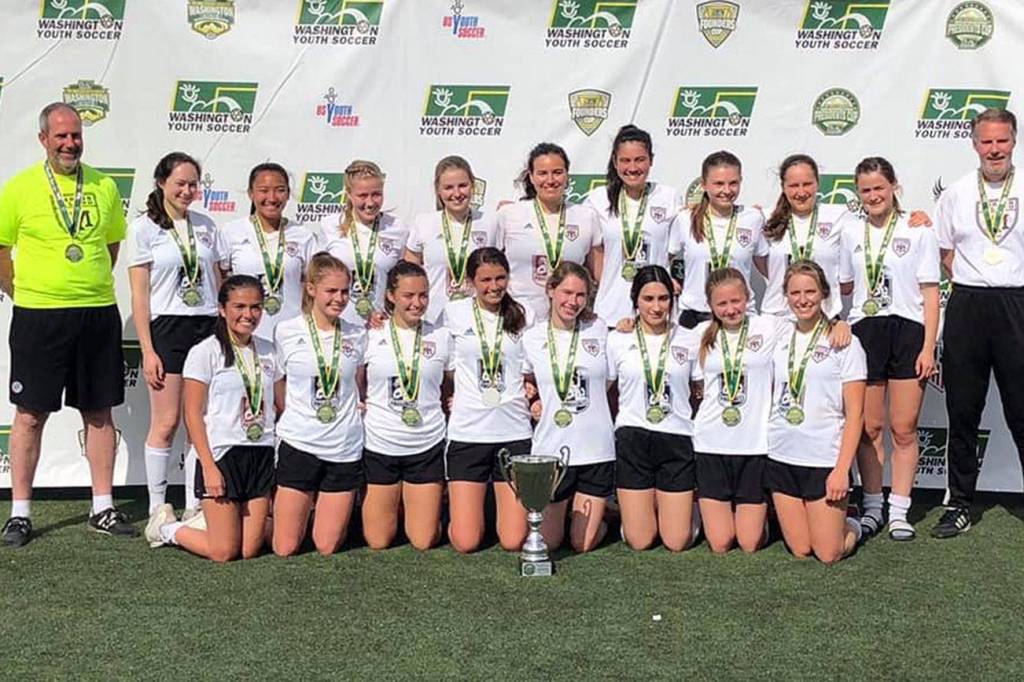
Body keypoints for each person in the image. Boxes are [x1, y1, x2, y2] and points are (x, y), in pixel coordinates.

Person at [0, 102, 133, 547]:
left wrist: (84, 284)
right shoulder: (19, 188)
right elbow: (1, 250)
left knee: (99, 411)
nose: (70, 143)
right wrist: (25, 293)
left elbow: (111, 246)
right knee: (29, 415)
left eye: (75, 135)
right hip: (39, 316)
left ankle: (103, 507)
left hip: (96, 312)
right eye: (61, 136)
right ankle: (20, 514)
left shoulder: (104, 186)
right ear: (44, 139)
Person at [838, 157, 940, 540]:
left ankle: (899, 511)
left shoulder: (918, 229)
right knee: (869, 427)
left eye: (879, 188)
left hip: (909, 331)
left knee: (903, 427)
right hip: (866, 331)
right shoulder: (850, 231)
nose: (873, 196)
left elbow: (931, 293)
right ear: (858, 193)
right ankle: (872, 507)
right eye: (865, 190)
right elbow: (844, 286)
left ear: (894, 186)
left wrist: (928, 347)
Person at [934, 107, 1024, 538]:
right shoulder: (955, 192)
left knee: (1022, 410)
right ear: (974, 144)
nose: (994, 149)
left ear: (1014, 141)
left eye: (1002, 140)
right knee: (963, 411)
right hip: (968, 304)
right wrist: (977, 280)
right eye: (986, 141)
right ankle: (960, 503)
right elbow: (944, 252)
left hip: (1017, 304)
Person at [147, 275, 282, 562]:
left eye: (255, 307)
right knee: (224, 552)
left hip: (260, 455)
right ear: (222, 309)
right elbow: (193, 414)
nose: (248, 315)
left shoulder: (270, 350)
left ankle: (223, 523)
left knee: (248, 550)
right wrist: (208, 466)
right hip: (223, 455)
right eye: (239, 307)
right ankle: (166, 528)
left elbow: (282, 405)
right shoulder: (205, 351)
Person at [128, 152, 228, 529]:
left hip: (206, 328)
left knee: (199, 420)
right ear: (161, 183)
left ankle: (194, 504)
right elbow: (140, 296)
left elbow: (219, 281)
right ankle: (157, 507)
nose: (187, 191)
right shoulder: (143, 228)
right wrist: (148, 349)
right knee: (167, 420)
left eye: (192, 184)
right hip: (167, 329)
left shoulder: (206, 225)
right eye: (180, 184)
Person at [767, 260, 866, 564]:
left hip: (824, 459)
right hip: (781, 454)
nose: (802, 299)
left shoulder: (846, 342)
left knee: (828, 553)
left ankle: (854, 525)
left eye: (810, 292)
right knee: (800, 548)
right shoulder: (777, 334)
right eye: (795, 293)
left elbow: (856, 414)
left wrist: (841, 470)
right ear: (786, 296)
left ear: (824, 293)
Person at [272, 253, 367, 556]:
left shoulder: (358, 333)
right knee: (285, 547)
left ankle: (321, 514)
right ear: (311, 288)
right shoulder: (286, 331)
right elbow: (277, 383)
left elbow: (361, 383)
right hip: (300, 444)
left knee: (326, 546)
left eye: (345, 291)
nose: (339, 299)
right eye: (331, 291)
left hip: (344, 447)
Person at [443, 248, 533, 553]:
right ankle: (455, 518)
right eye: (485, 280)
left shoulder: (525, 313)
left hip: (513, 431)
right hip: (469, 433)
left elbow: (534, 365)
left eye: (500, 278)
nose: (494, 286)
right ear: (471, 282)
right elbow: (443, 363)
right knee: (466, 542)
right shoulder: (453, 312)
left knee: (513, 540)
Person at [522, 262, 614, 553]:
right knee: (548, 542)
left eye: (581, 295)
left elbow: (609, 379)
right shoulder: (532, 337)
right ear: (551, 290)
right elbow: (525, 380)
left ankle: (604, 518)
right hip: (552, 449)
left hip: (595, 449)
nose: (573, 301)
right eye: (567, 292)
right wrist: (534, 399)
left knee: (581, 543)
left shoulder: (599, 329)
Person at [607, 265, 699, 551]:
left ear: (673, 299)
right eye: (648, 299)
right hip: (633, 437)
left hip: (676, 438)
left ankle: (687, 511)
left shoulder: (690, 338)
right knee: (640, 540)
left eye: (663, 298)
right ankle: (638, 512)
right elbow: (602, 388)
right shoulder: (618, 339)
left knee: (677, 541)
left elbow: (700, 391)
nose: (656, 307)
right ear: (635, 300)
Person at [361, 261, 451, 550]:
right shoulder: (370, 335)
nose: (417, 303)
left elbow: (449, 385)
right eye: (408, 296)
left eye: (423, 295)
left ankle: (425, 513)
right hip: (381, 444)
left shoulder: (441, 337)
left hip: (426, 443)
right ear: (390, 296)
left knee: (423, 540)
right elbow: (356, 382)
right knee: (378, 541)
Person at [691, 268, 782, 553]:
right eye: (722, 304)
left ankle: (764, 519)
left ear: (748, 298)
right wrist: (627, 323)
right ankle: (698, 515)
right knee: (720, 543)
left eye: (736, 301)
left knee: (749, 543)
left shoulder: (768, 327)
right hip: (711, 444)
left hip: (753, 446)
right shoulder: (698, 334)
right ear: (710, 305)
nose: (730, 310)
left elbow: (810, 324)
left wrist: (838, 325)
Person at [586, 126, 682, 325]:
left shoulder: (669, 197)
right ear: (615, 162)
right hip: (611, 311)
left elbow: (672, 252)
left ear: (651, 160)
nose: (633, 167)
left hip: (657, 311)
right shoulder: (597, 199)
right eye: (625, 160)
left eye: (639, 159)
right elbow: (593, 251)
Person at [496, 143, 603, 320]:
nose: (550, 180)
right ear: (531, 177)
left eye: (557, 172)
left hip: (567, 319)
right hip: (517, 319)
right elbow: (487, 267)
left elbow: (600, 276)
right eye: (542, 173)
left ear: (567, 175)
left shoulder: (586, 217)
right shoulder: (509, 215)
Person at [669, 151, 768, 328]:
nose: (727, 190)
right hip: (696, 317)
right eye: (719, 184)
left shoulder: (753, 218)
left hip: (740, 315)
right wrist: (668, 280)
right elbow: (664, 257)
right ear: (704, 184)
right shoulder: (685, 219)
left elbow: (766, 265)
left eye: (733, 183)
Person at [221, 162, 319, 341]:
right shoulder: (232, 232)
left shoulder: (303, 235)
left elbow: (314, 285)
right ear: (251, 193)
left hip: (293, 335)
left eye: (280, 190)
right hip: (246, 334)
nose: (272, 198)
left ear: (288, 194)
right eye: (263, 190)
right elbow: (219, 279)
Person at [405, 156, 498, 325]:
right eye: (448, 187)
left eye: (462, 185)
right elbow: (408, 273)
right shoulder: (424, 223)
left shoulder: (490, 222)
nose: (457, 194)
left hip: (478, 320)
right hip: (432, 320)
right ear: (438, 190)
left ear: (473, 186)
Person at [760, 154, 849, 320]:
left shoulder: (840, 216)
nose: (801, 192)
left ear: (817, 183)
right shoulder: (764, 218)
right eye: (794, 185)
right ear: (783, 187)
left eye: (807, 184)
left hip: (825, 317)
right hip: (778, 318)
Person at [320, 160, 408, 326]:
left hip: (381, 325)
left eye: (376, 194)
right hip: (339, 325)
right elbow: (317, 280)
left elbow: (405, 282)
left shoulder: (397, 228)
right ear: (349, 194)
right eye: (362, 196)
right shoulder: (329, 225)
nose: (370, 203)